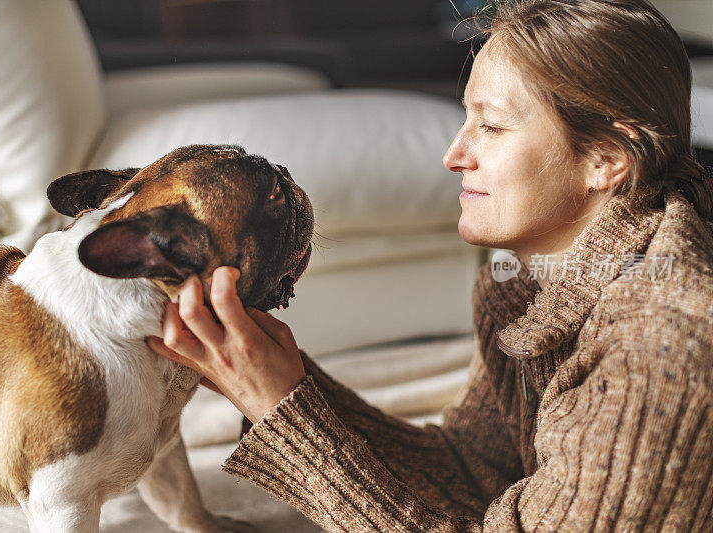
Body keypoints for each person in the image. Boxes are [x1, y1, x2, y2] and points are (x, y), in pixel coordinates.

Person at [147, 0, 713, 530]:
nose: (454, 155)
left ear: (606, 159)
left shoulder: (664, 348)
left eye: (491, 126)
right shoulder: (524, 277)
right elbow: (477, 470)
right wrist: (284, 386)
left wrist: (279, 410)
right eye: (466, 120)